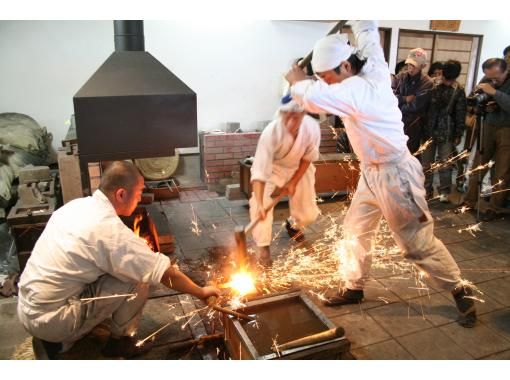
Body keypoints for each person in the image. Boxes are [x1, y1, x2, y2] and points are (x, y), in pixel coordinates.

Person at [285, 20, 476, 327]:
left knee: (415, 243)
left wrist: (296, 81)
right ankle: (353, 286)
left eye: (326, 76)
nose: (325, 82)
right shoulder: (371, 62)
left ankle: (458, 287)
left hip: (396, 175)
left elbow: (310, 96)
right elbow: (369, 33)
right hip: (371, 174)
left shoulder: (357, 90)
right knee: (355, 230)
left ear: (346, 66)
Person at [17, 161, 220, 359]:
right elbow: (162, 272)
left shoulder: (75, 206)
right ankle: (119, 344)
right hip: (53, 320)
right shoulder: (108, 230)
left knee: (125, 267)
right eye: (139, 192)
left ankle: (69, 332)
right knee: (139, 276)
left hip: (27, 308)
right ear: (121, 194)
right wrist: (201, 292)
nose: (140, 199)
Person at [249, 97, 321, 266]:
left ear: (303, 115)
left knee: (309, 214)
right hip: (274, 168)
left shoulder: (311, 128)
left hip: (300, 167)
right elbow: (259, 172)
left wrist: (294, 181)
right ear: (281, 114)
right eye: (286, 116)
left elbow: (308, 158)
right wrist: (260, 204)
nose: (289, 121)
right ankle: (263, 247)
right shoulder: (271, 133)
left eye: (295, 117)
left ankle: (293, 225)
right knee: (258, 205)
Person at [461, 58, 510, 221]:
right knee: (478, 164)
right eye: (490, 77)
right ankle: (469, 201)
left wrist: (495, 92)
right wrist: (483, 104)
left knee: (502, 171)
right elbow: (472, 100)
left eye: (497, 78)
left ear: (505, 71)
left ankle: (495, 208)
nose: (493, 81)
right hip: (488, 124)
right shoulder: (487, 79)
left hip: (507, 129)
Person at [422, 60, 466, 202]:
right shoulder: (433, 85)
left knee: (445, 163)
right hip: (429, 128)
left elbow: (460, 112)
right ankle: (426, 190)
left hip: (447, 130)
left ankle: (444, 192)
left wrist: (458, 133)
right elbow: (425, 106)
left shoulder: (458, 90)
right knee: (426, 163)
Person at [394, 48, 434, 155]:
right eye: (409, 65)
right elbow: (388, 98)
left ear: (423, 66)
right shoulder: (399, 77)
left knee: (410, 155)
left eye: (415, 66)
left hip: (414, 125)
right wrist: (404, 99)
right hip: (395, 123)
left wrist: (397, 105)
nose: (411, 69)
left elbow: (416, 106)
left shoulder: (427, 83)